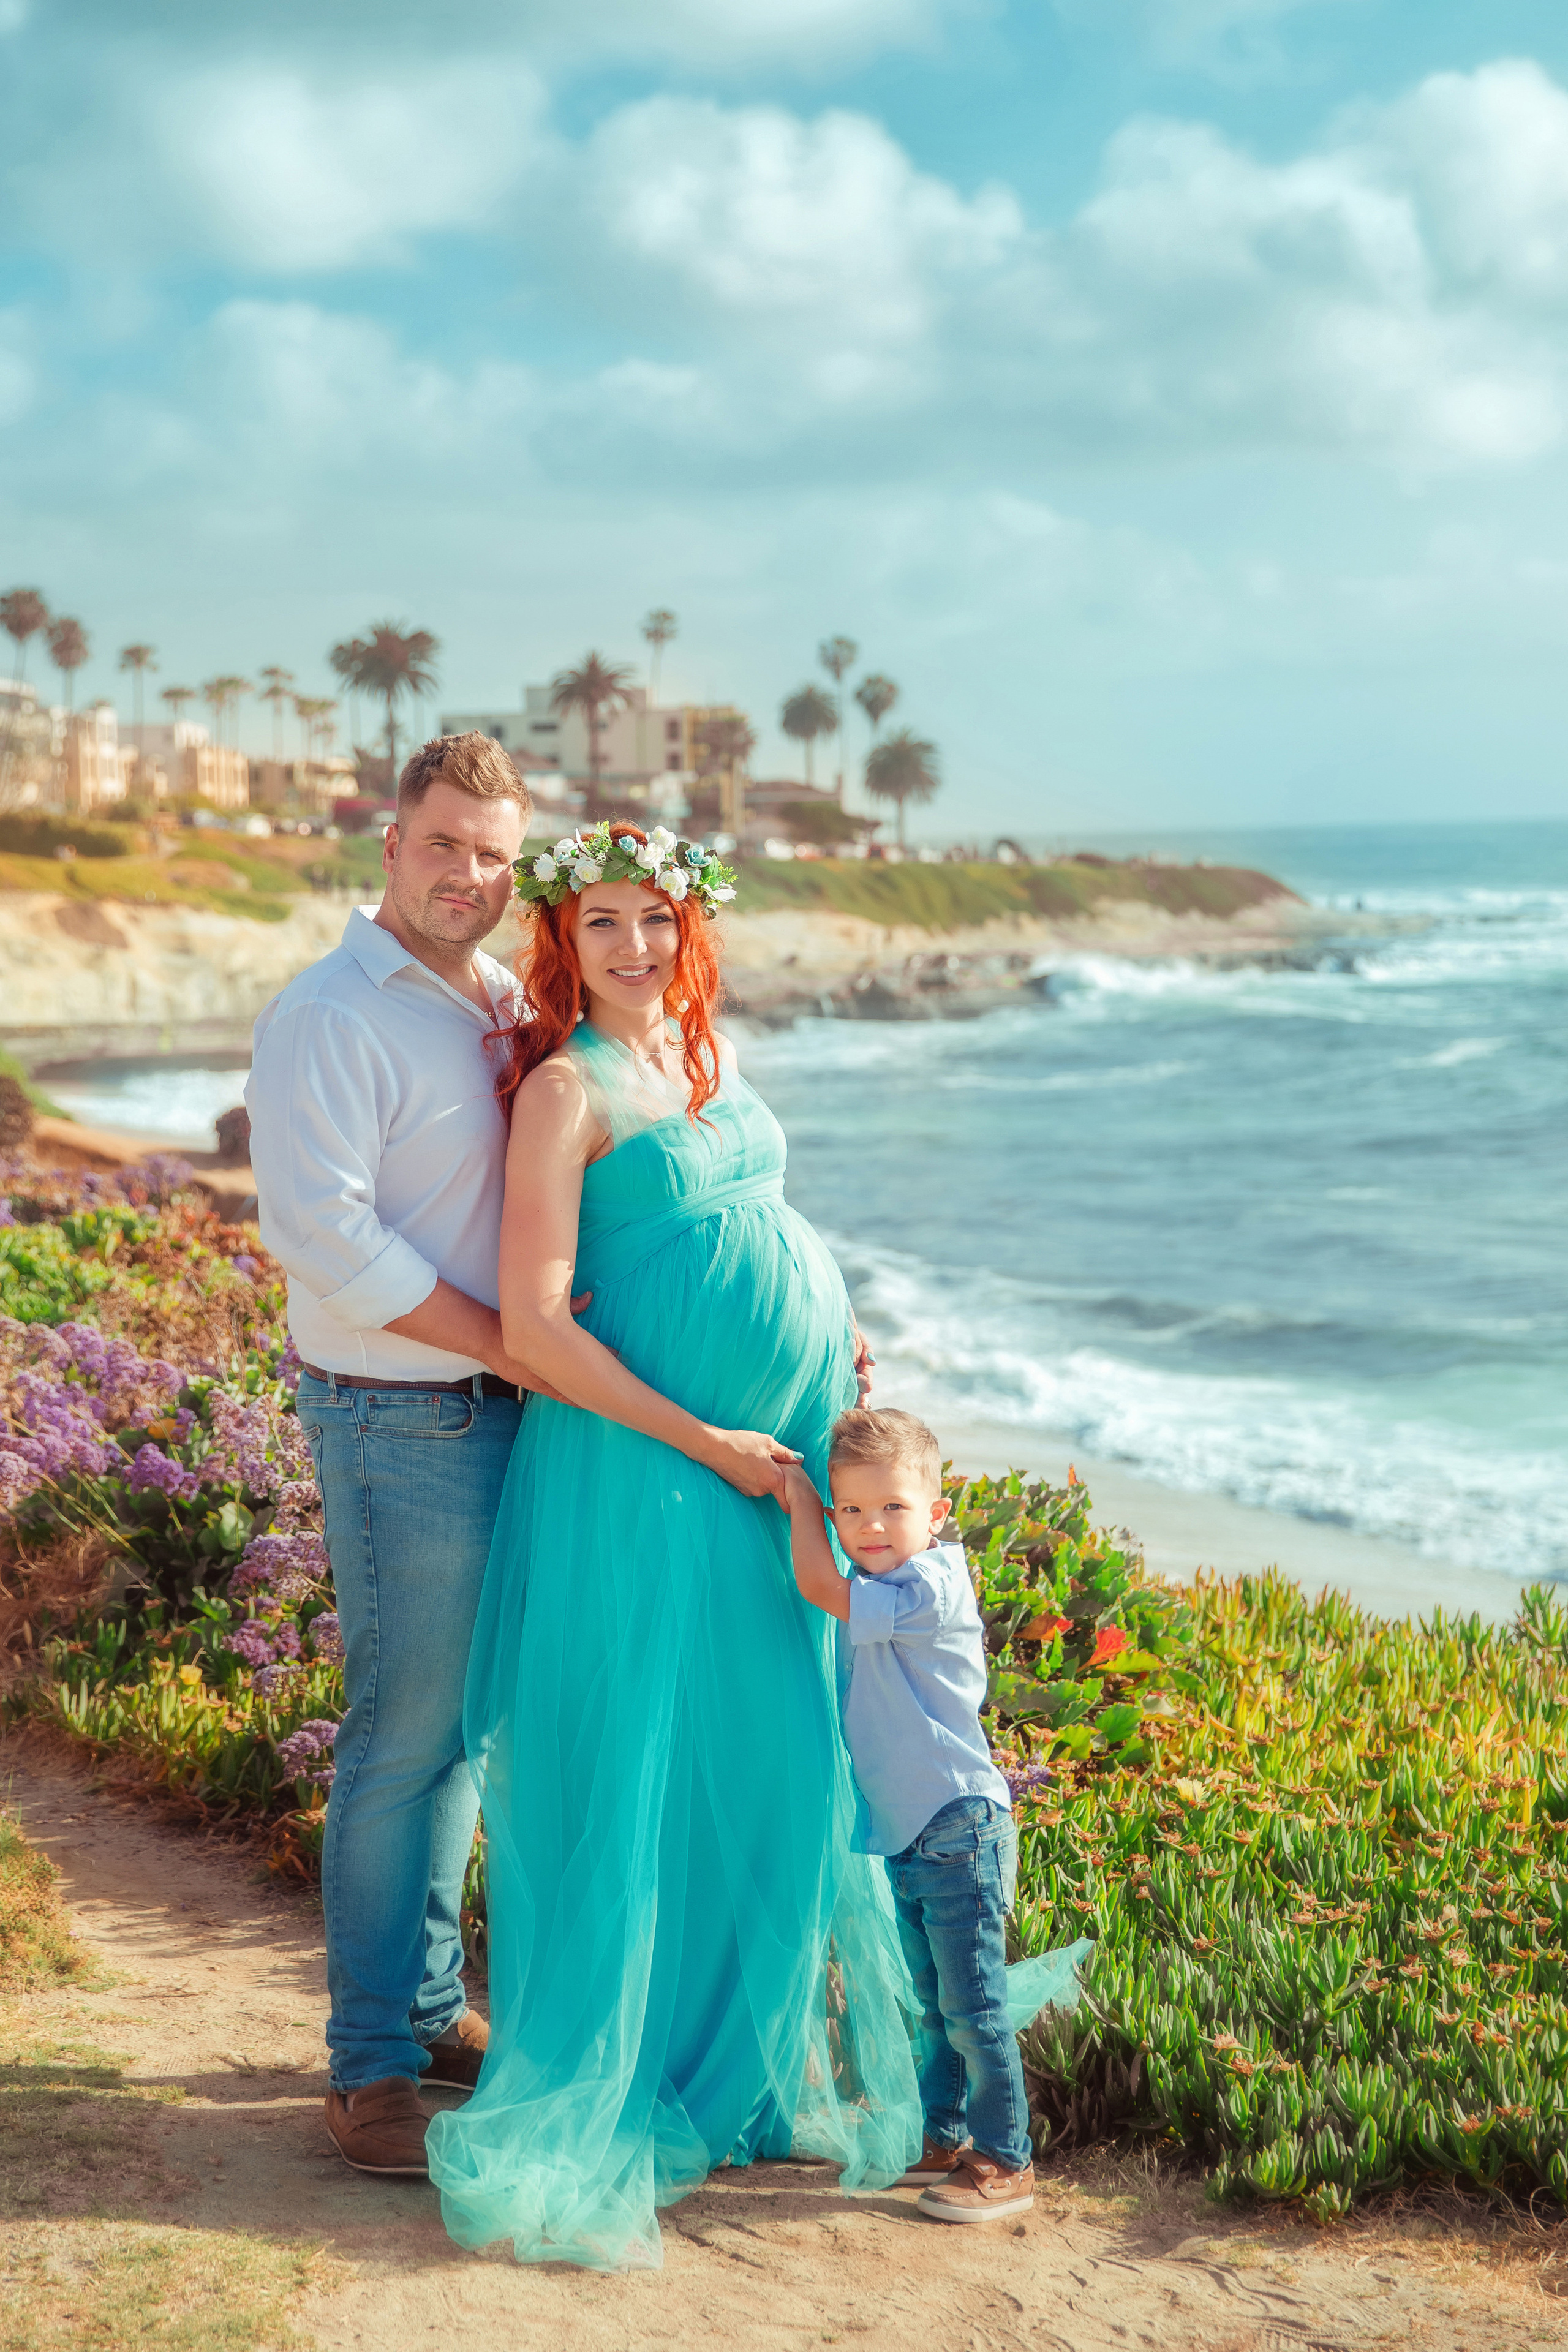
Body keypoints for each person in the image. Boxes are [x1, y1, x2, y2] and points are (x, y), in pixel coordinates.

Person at [424, 821, 909, 2270]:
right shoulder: (564, 1092)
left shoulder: (710, 1052)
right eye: (600, 925)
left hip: (770, 1472)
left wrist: (826, 1322)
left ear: (687, 929)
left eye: (652, 919)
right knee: (637, 1766)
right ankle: (628, 2071)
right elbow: (532, 1323)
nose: (631, 947)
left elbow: (752, 1218)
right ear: (562, 944)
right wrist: (709, 1442)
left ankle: (737, 2068)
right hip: (649, 1480)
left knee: (760, 1763)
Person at [246, 732, 561, 2176]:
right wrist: (508, 1346)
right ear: (391, 840)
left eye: (497, 854)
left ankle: (428, 2009)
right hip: (402, 1415)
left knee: (463, 1739)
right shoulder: (330, 1012)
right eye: (447, 845)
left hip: (505, 1409)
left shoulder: (497, 997)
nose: (472, 876)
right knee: (397, 1744)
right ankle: (369, 2065)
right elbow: (322, 1234)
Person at [780, 1405, 1037, 2223]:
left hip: (957, 1826)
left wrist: (797, 1499)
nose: (870, 1526)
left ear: (937, 1512)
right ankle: (943, 2135)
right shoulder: (889, 1582)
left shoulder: (926, 1584)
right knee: (936, 2005)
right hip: (914, 1829)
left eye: (892, 1507)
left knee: (975, 2010)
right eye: (849, 1510)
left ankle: (1006, 2161)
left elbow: (820, 1585)